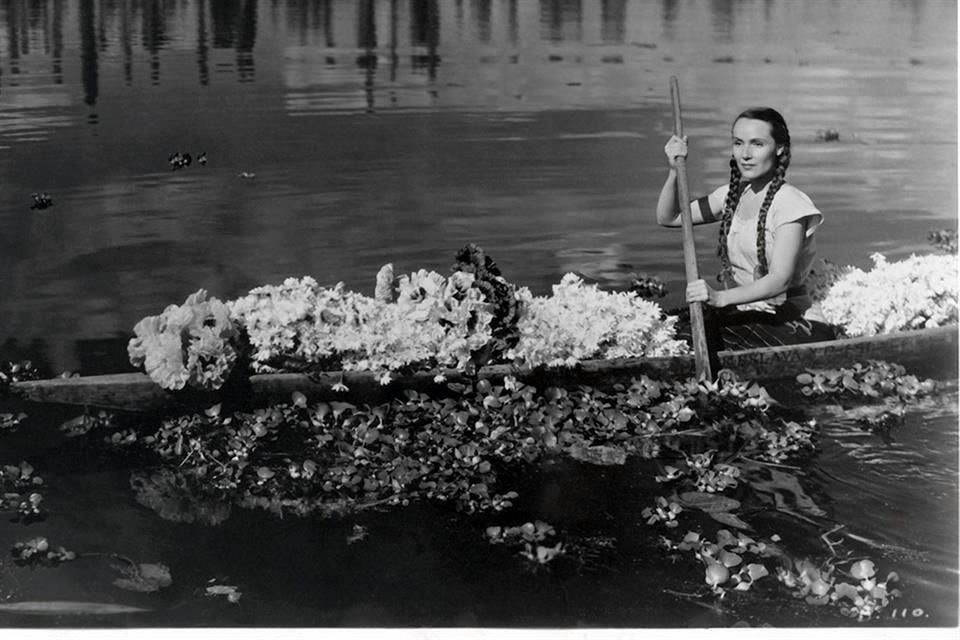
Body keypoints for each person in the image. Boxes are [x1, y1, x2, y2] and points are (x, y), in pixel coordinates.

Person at [655, 107, 837, 350]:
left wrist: (719, 298)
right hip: (746, 312)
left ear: (780, 148)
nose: (746, 154)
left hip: (792, 322)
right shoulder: (732, 196)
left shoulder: (791, 204)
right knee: (667, 327)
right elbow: (670, 217)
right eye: (739, 143)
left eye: (757, 144)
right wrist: (674, 170)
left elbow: (779, 280)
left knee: (689, 341)